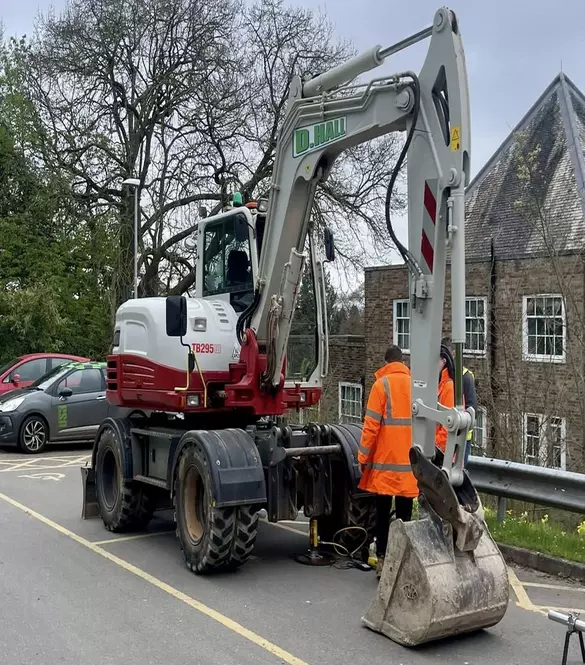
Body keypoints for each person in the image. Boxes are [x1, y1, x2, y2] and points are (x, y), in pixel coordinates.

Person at [357, 345, 418, 577]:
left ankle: (382, 562)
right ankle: (402, 565)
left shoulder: (380, 385)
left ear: (386, 363)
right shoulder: (416, 386)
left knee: (382, 516)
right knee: (405, 518)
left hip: (385, 466)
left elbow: (370, 427)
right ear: (402, 363)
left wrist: (362, 457)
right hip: (410, 466)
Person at [441, 338, 477, 464]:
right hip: (446, 436)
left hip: (461, 438)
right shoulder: (442, 375)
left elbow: (471, 409)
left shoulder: (465, 377)